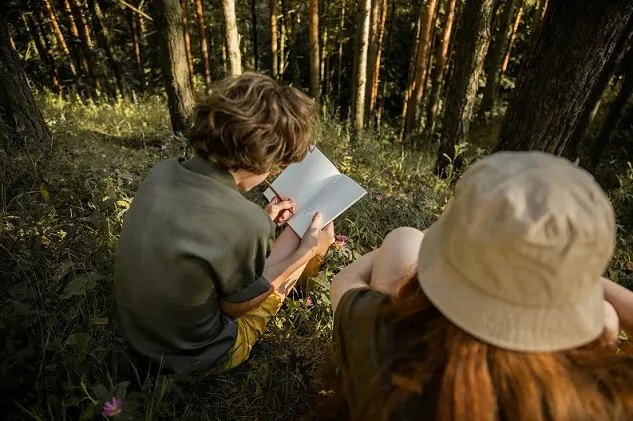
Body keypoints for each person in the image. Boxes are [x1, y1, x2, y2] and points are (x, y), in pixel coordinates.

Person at [330, 151, 633, 421]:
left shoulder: (377, 334)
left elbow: (343, 283)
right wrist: (562, 273)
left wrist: (459, 252)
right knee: (607, 320)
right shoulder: (599, 401)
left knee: (403, 241)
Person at [114, 72, 334, 373]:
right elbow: (235, 307)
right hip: (192, 357)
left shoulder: (163, 171)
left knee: (286, 250)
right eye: (274, 163)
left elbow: (197, 225)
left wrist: (263, 219)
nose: (271, 173)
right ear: (259, 158)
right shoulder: (245, 222)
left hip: (136, 334)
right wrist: (305, 254)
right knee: (298, 253)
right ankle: (307, 274)